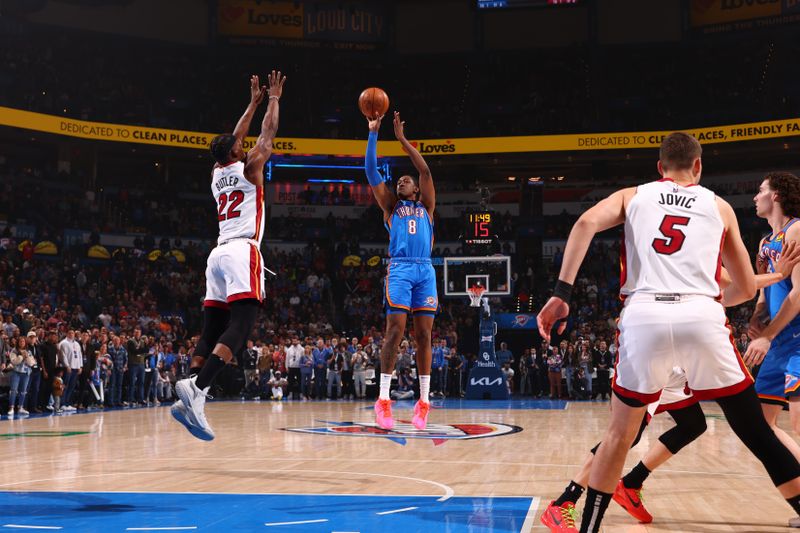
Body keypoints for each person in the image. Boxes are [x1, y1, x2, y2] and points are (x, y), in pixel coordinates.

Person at [537, 132, 800, 532]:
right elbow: (743, 289)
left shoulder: (633, 196)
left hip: (644, 318)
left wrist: (562, 294)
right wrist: (770, 279)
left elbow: (586, 222)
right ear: (698, 166)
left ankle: (586, 522)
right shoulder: (718, 206)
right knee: (755, 431)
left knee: (620, 434)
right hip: (702, 317)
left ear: (659, 168)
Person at [171, 70, 285, 441]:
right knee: (242, 325)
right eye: (239, 143)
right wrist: (272, 100)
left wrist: (250, 102)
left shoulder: (217, 171)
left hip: (217, 253)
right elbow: (267, 134)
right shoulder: (251, 166)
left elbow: (235, 138)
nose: (243, 142)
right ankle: (198, 391)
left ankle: (191, 386)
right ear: (237, 151)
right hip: (242, 250)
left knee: (212, 329)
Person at [366, 111, 437, 430]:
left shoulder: (428, 207)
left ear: (416, 189)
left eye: (405, 180)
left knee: (424, 335)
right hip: (400, 269)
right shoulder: (391, 208)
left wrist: (402, 140)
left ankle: (424, 403)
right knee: (395, 330)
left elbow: (424, 169)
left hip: (425, 271)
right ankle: (383, 400)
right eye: (399, 181)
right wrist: (373, 133)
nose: (401, 181)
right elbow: (370, 171)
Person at [746, 172, 800, 527]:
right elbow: (765, 294)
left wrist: (768, 336)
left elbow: (798, 295)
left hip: (796, 340)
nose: (755, 197)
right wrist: (756, 320)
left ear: (777, 195)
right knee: (759, 427)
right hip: (776, 341)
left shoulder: (797, 230)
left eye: (761, 190)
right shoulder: (766, 240)